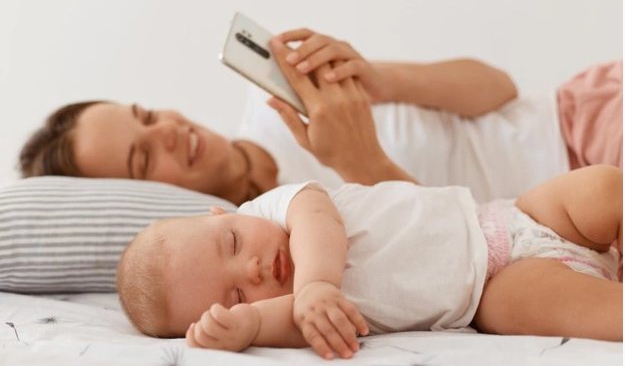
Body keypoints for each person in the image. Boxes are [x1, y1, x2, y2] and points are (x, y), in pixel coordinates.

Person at [18, 28, 623, 204]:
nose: (168, 131)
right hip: (574, 218)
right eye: (143, 157)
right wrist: (362, 164)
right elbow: (467, 250)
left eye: (146, 115)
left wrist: (383, 81)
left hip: (576, 122)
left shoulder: (272, 96)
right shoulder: (278, 233)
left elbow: (499, 87)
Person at [116, 164, 622, 360]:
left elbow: (319, 222)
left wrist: (315, 283)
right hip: (492, 289)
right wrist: (245, 326)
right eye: (235, 295)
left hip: (512, 217)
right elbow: (292, 325)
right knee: (574, 311)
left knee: (602, 188)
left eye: (230, 244)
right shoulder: (305, 310)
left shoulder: (280, 206)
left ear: (223, 213)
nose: (251, 270)